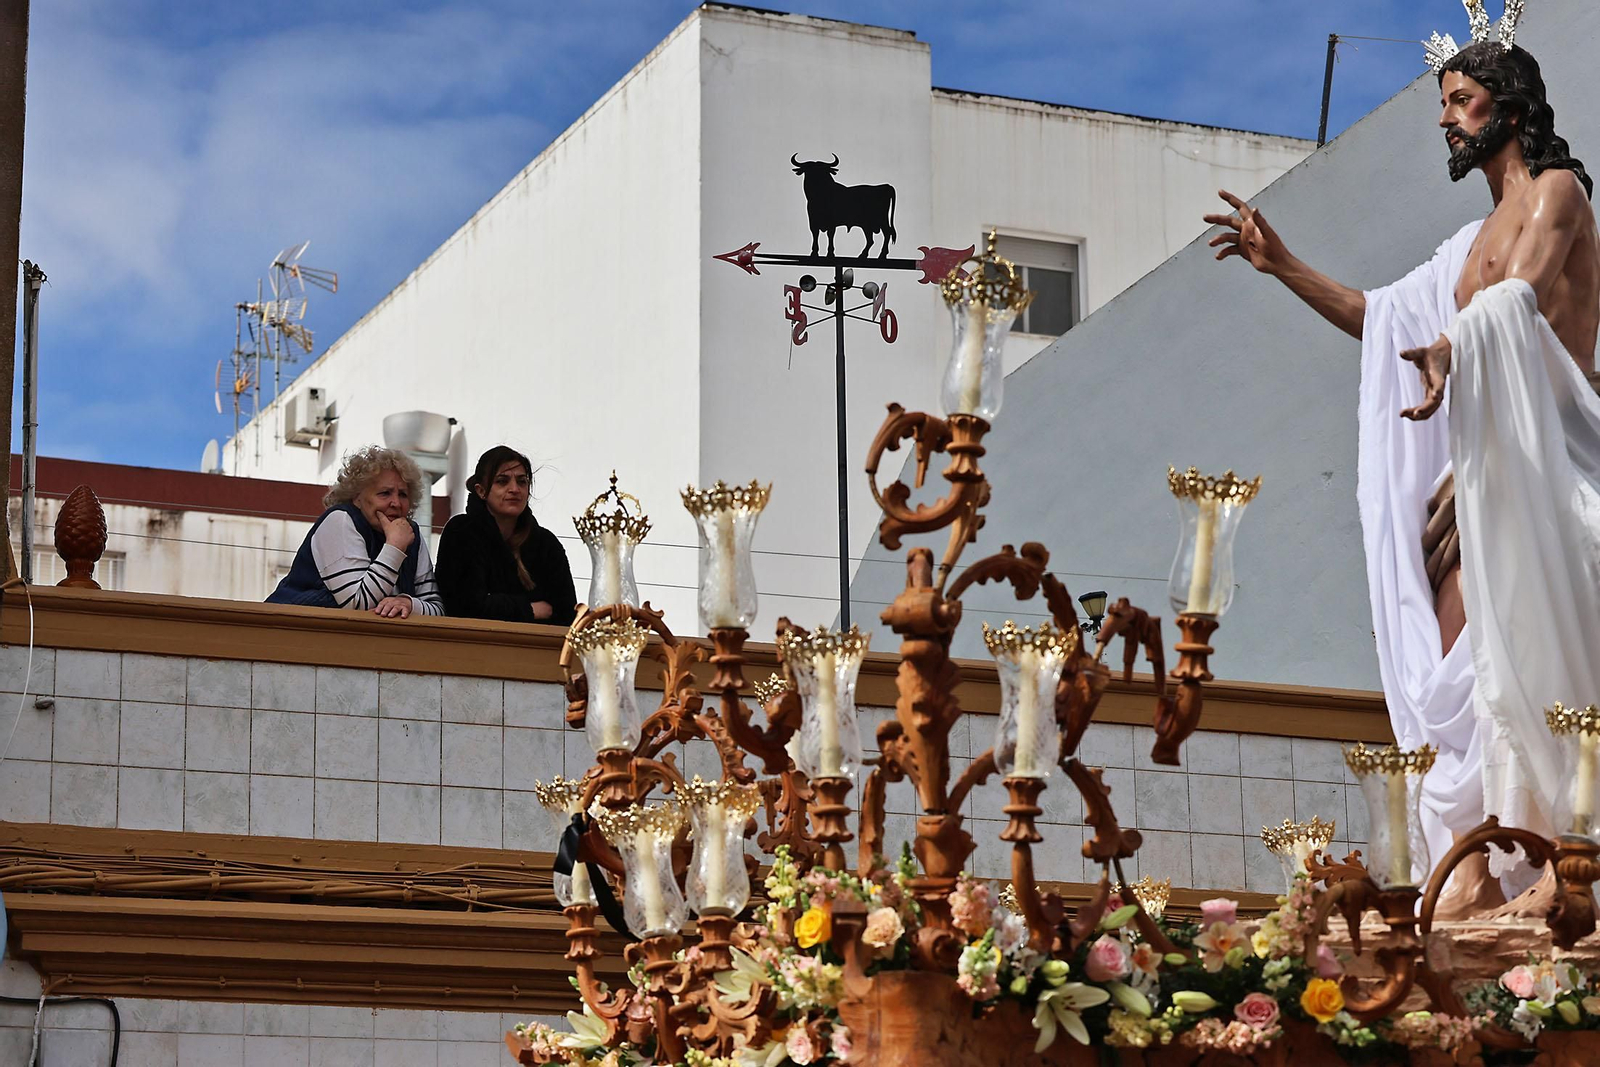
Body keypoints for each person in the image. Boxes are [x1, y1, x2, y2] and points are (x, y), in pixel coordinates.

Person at [1205, 20, 1600, 917]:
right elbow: (1387, 322)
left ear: (1511, 106)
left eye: (1460, 102)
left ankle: (1564, 860)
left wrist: (1453, 347)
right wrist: (1284, 267)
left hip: (1556, 467)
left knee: (1529, 656)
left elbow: (1517, 300)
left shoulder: (1559, 192)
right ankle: (1470, 863)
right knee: (1463, 666)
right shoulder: (1465, 244)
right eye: (1444, 106)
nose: (1446, 122)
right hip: (1483, 482)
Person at [268, 446, 443, 619]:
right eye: (385, 493)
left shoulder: (411, 534)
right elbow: (357, 605)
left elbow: (437, 609)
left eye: (403, 494)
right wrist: (395, 547)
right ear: (357, 498)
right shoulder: (341, 520)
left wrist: (409, 603)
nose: (396, 503)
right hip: (287, 631)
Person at [435, 445, 577, 625]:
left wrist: (495, 603)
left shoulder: (546, 544)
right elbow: (462, 604)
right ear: (481, 491)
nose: (514, 489)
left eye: (522, 481)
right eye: (502, 481)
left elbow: (565, 612)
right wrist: (529, 609)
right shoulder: (461, 532)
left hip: (536, 648)